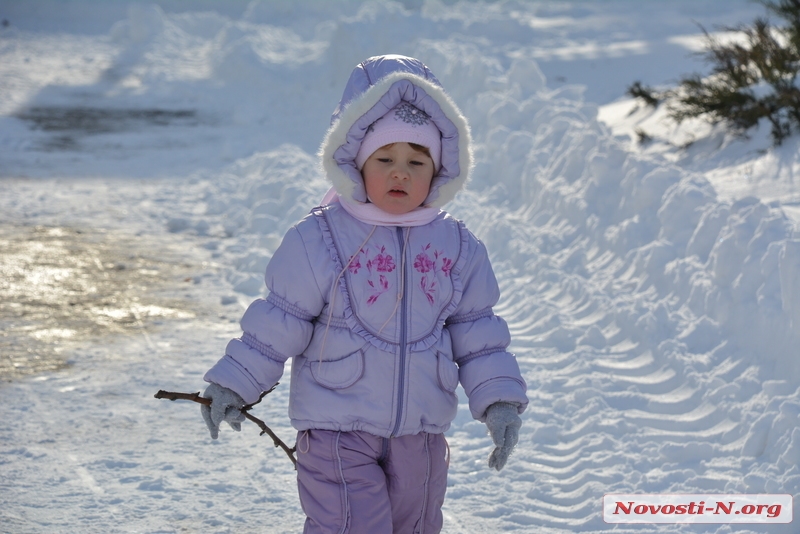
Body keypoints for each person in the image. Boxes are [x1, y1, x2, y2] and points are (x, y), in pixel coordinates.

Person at [200, 54, 528, 534]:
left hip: (421, 434)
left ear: (438, 171)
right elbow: (279, 320)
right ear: (355, 163)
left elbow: (478, 334)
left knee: (414, 527)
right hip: (336, 429)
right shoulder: (321, 238)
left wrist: (498, 399)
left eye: (417, 162)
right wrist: (236, 381)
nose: (400, 174)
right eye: (385, 159)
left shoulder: (457, 246)